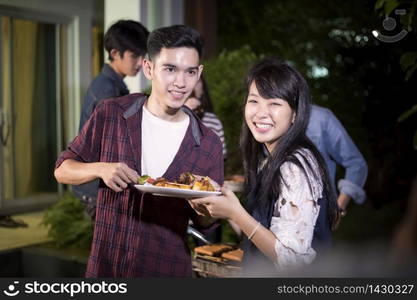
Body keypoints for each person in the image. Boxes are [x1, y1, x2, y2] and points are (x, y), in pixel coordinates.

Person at [54, 25, 224, 277]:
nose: (180, 82)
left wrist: (207, 206)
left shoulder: (208, 142)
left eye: (190, 72)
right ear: (148, 68)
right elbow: (62, 169)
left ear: (199, 73)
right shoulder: (111, 113)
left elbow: (208, 224)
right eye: (170, 69)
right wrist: (101, 168)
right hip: (107, 268)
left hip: (167, 270)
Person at [189, 58, 338, 276]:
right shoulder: (267, 157)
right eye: (254, 101)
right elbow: (258, 235)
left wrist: (236, 213)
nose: (261, 113)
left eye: (275, 104)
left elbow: (292, 260)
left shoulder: (296, 167)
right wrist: (224, 203)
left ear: (295, 113)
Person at [73, 20, 149, 219]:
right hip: (99, 188)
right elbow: (115, 141)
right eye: (134, 55)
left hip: (100, 184)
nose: (141, 62)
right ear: (115, 53)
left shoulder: (111, 85)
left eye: (143, 55)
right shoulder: (107, 90)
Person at [306, 105, 368, 224]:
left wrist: (339, 207)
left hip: (317, 220)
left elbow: (356, 163)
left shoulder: (319, 118)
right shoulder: (261, 119)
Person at [184, 76, 227, 159]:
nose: (192, 85)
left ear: (203, 89)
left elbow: (220, 159)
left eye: (196, 82)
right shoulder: (167, 119)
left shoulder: (213, 121)